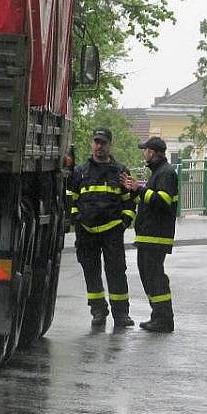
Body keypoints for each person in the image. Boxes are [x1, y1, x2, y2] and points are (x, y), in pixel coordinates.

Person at [68, 127, 136, 327]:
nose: (99, 146)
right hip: (86, 232)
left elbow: (130, 200)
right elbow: (71, 199)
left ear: (110, 145)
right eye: (96, 142)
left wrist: (125, 221)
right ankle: (98, 311)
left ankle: (121, 314)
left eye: (103, 143)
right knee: (91, 272)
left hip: (112, 232)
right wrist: (76, 219)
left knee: (116, 272)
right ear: (92, 144)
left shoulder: (121, 171)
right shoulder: (80, 172)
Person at [120, 137, 178, 333]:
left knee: (154, 277)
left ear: (152, 152)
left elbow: (163, 201)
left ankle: (164, 319)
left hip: (156, 236)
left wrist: (140, 189)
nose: (143, 153)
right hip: (149, 236)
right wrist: (135, 190)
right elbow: (150, 198)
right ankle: (158, 316)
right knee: (149, 276)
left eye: (145, 150)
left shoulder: (166, 173)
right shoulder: (159, 173)